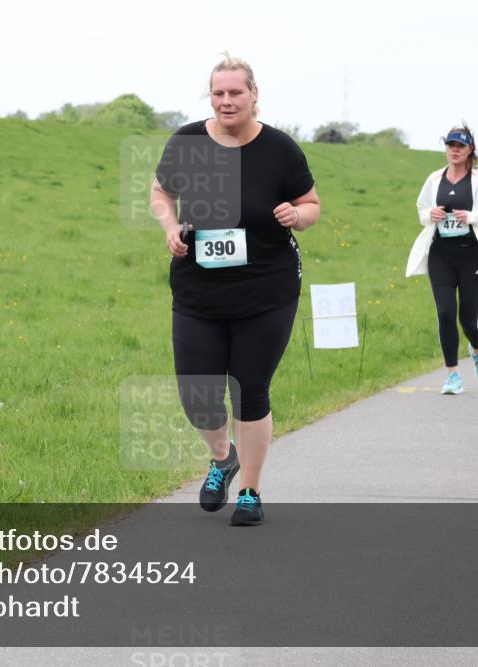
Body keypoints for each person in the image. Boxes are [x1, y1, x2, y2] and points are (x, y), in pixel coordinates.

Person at [150, 53, 319, 526]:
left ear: (254, 94)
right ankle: (223, 459)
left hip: (266, 289)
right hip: (199, 291)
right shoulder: (186, 142)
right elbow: (162, 192)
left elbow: (311, 205)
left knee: (250, 391)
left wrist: (296, 216)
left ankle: (250, 490)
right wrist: (168, 227)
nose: (226, 101)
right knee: (197, 395)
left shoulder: (280, 149)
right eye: (219, 93)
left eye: (235, 92)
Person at [406, 125, 478, 394]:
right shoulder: (434, 179)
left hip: (472, 253)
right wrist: (432, 214)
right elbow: (420, 211)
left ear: (470, 149)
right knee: (445, 312)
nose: (454, 150)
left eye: (460, 146)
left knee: (468, 319)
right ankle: (452, 375)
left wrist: (473, 216)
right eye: (450, 145)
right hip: (441, 254)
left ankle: (477, 349)